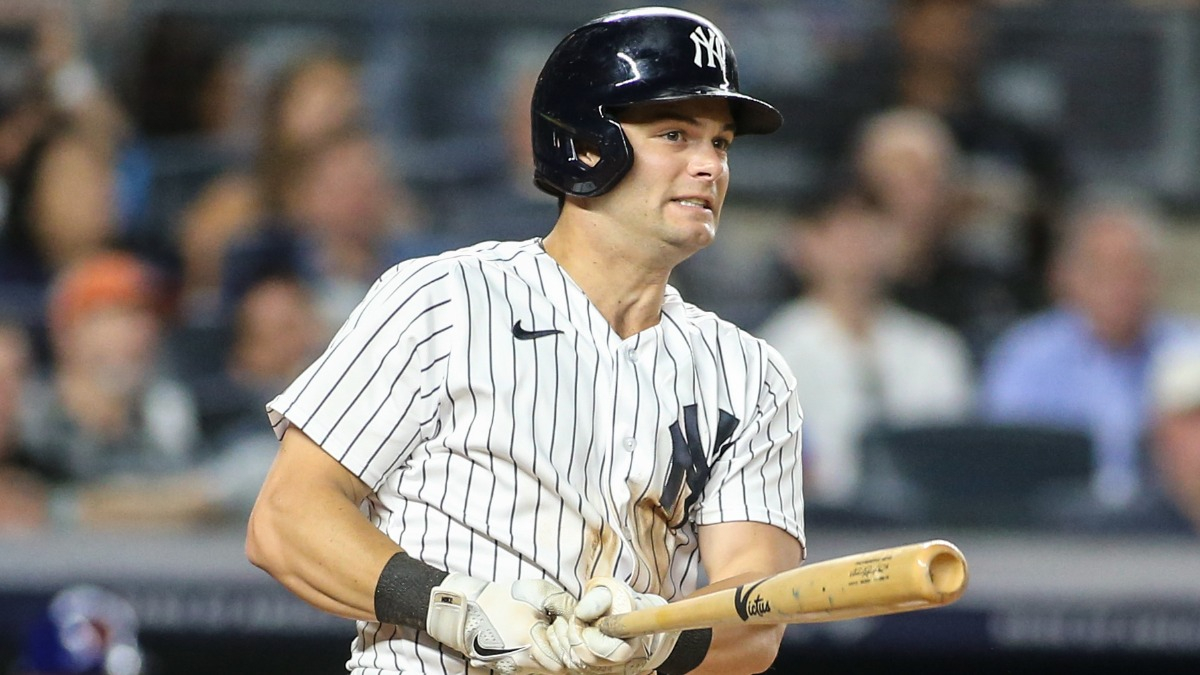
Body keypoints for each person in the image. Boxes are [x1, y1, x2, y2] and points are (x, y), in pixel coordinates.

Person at [246, 7, 804, 675]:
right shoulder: (444, 302)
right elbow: (287, 517)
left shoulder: (749, 374)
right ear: (587, 145)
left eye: (720, 144)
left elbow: (755, 614)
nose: (709, 166)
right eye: (675, 134)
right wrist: (457, 605)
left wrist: (650, 638)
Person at [978, 189, 1200, 508]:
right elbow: (1003, 463)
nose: (1119, 285)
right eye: (1100, 270)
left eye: (1132, 269)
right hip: (1052, 534)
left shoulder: (1190, 351)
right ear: (1064, 276)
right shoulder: (1025, 357)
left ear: (1155, 276)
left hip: (1170, 531)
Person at [757, 186, 973, 508]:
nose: (856, 246)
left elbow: (959, 457)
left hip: (928, 525)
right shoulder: (770, 355)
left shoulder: (935, 349)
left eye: (869, 230)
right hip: (823, 530)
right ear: (801, 244)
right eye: (839, 232)